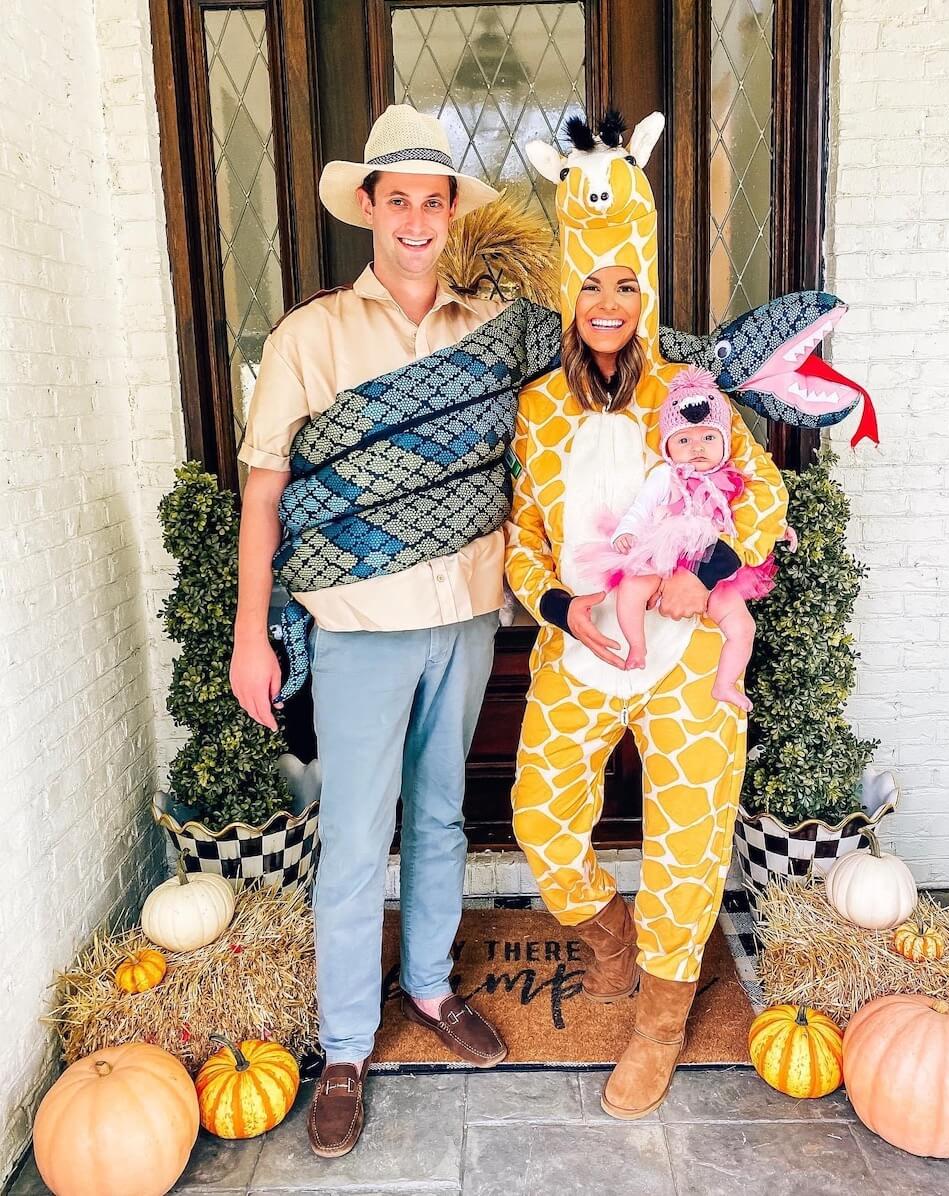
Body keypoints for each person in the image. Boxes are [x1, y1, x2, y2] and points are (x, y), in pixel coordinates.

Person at [230, 105, 510, 1160]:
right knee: (355, 839)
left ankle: (430, 986)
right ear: (367, 208)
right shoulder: (311, 335)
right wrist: (249, 633)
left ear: (447, 215)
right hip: (355, 630)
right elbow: (265, 492)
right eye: (396, 198)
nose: (414, 218)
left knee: (439, 818)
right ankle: (347, 1044)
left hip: (466, 616)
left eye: (431, 200)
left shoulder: (485, 327)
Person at [510, 111, 789, 1120]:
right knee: (539, 816)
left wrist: (700, 573)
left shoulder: (692, 389)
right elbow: (520, 538)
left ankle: (663, 1017)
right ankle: (608, 936)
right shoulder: (537, 407)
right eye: (591, 281)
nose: (609, 302)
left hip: (686, 651)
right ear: (565, 289)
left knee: (686, 833)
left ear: (649, 286)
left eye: (626, 281)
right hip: (581, 645)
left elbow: (761, 497)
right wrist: (563, 605)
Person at [576, 365, 796, 705]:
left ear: (724, 442)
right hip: (667, 555)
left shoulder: (733, 477)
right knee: (632, 588)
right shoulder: (666, 476)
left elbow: (743, 519)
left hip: (717, 571)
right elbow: (642, 507)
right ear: (668, 448)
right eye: (684, 440)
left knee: (742, 627)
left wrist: (779, 529)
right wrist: (627, 532)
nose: (697, 447)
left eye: (709, 437)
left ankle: (724, 684)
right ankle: (637, 645)